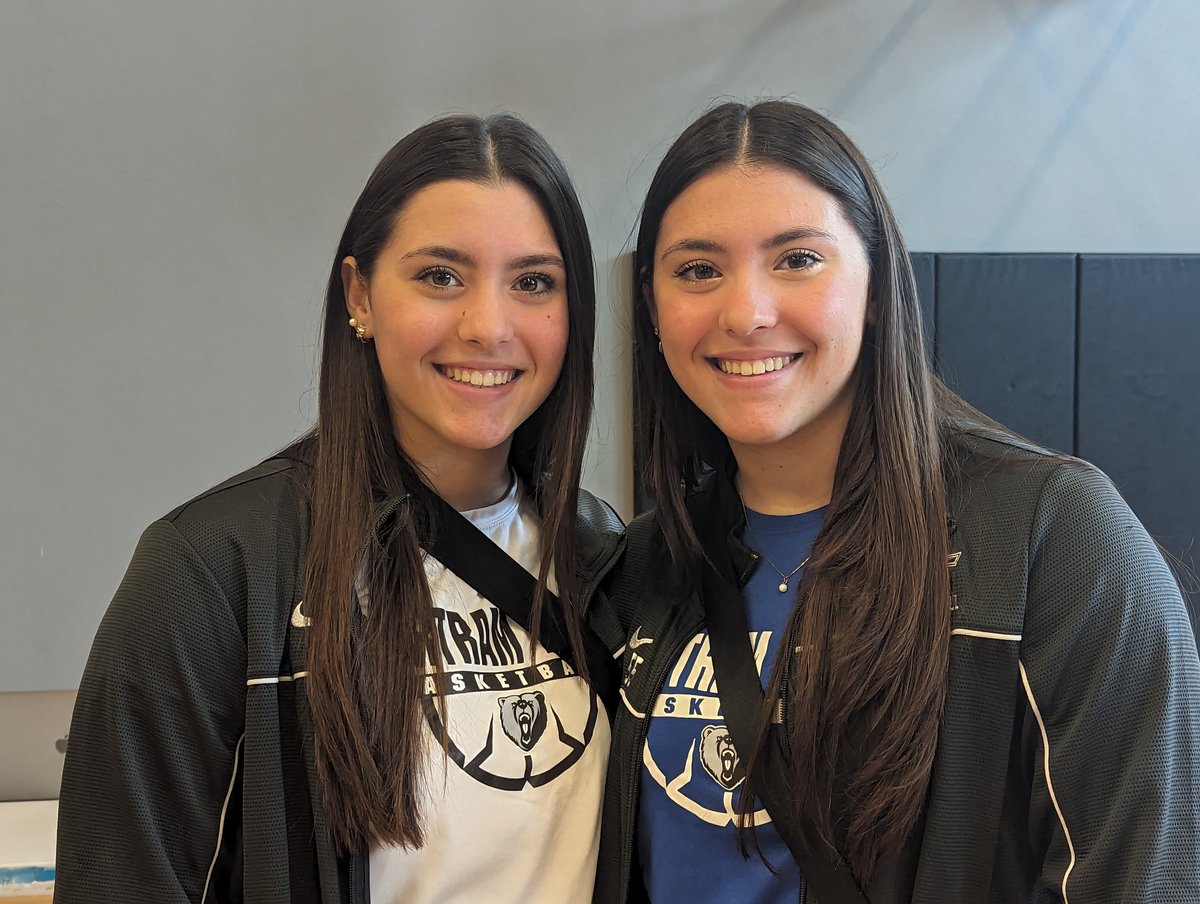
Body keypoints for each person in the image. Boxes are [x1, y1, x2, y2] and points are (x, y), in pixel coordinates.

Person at [597, 100, 1200, 903]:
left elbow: (1144, 876)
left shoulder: (1051, 537)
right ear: (654, 308)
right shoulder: (643, 567)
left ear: (877, 285)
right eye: (698, 270)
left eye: (798, 260)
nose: (746, 312)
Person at [55, 113, 624, 904]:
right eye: (440, 276)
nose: (488, 326)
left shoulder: (607, 561)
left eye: (533, 282)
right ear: (359, 294)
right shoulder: (214, 571)